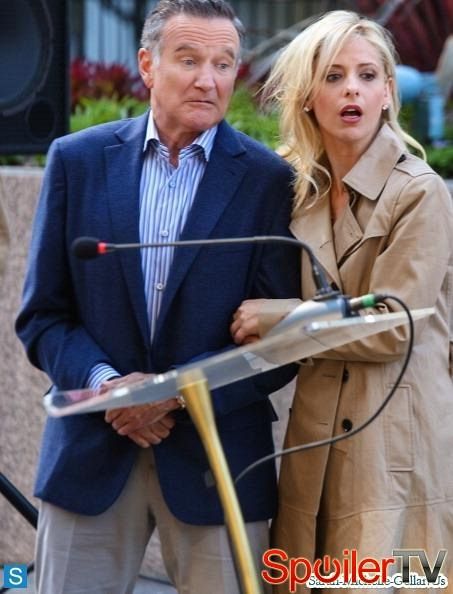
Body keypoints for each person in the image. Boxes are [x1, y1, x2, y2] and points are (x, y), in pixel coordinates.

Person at [15, 1, 300, 593]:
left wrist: (169, 394)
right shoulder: (77, 161)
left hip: (218, 462)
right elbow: (43, 315)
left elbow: (278, 344)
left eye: (224, 64)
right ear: (147, 64)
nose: (208, 80)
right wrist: (107, 386)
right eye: (189, 60)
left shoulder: (269, 181)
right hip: (91, 454)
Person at [231, 10, 453, 591]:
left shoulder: (420, 192)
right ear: (308, 97)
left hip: (393, 443)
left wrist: (280, 318)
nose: (351, 89)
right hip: (315, 438)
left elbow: (394, 326)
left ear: (388, 94)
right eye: (333, 76)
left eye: (367, 75)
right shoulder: (299, 193)